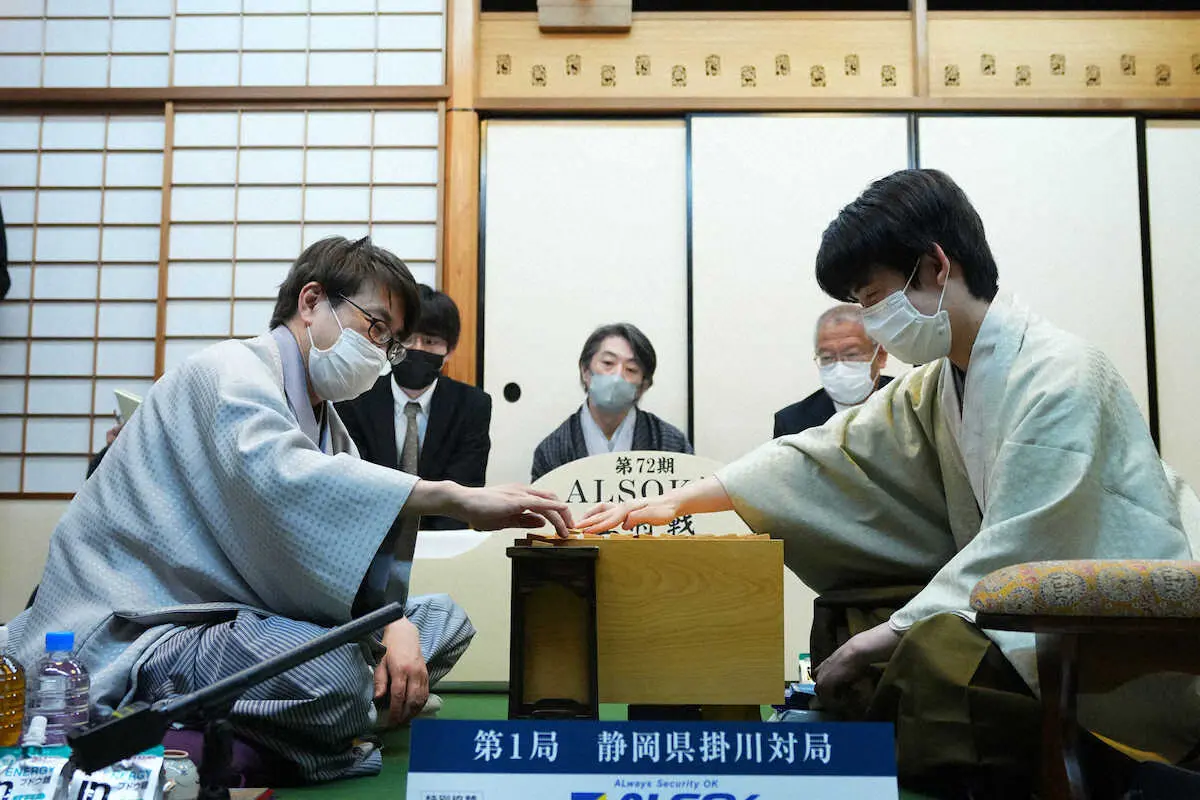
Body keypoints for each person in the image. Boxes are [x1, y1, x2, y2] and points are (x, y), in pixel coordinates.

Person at [578, 170, 1200, 795]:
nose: (871, 322)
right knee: (852, 612)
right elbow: (829, 452)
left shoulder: (1061, 373)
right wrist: (679, 499)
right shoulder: (941, 381)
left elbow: (1026, 545)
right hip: (1016, 599)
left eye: (873, 297)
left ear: (934, 266)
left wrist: (877, 642)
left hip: (1116, 620)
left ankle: (1121, 771)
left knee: (927, 662)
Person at [6, 236, 571, 784]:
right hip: (151, 623)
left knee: (442, 620)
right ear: (311, 302)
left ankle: (331, 714)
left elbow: (315, 542)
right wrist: (452, 496)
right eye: (375, 327)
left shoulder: (327, 421)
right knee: (328, 674)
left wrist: (393, 621)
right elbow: (284, 483)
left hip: (238, 615)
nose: (380, 352)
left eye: (390, 342)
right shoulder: (227, 372)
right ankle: (334, 723)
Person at [338, 285, 492, 530]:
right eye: (408, 339)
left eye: (430, 341)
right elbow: (354, 485)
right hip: (366, 539)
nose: (417, 348)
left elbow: (464, 491)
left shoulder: (473, 406)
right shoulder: (354, 400)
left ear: (449, 351)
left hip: (441, 545)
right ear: (388, 342)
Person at [531, 322, 691, 482]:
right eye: (608, 363)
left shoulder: (672, 444)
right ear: (585, 371)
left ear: (643, 385)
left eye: (631, 369)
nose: (617, 376)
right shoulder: (551, 451)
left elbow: (692, 503)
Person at [774, 304, 892, 437]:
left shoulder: (908, 403)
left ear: (880, 356)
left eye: (852, 354)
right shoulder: (792, 423)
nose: (839, 367)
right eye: (827, 357)